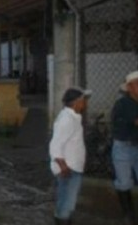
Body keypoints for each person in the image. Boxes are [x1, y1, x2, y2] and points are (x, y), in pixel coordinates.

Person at [49, 87, 91, 225]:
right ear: (77, 102)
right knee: (67, 204)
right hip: (68, 168)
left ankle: (61, 219)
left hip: (71, 167)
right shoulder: (67, 119)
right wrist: (63, 166)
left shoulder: (72, 117)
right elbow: (55, 145)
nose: (85, 103)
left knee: (65, 202)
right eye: (84, 100)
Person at [111, 71, 138, 224]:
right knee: (124, 182)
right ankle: (129, 215)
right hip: (123, 147)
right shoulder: (123, 103)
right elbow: (136, 121)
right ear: (129, 87)